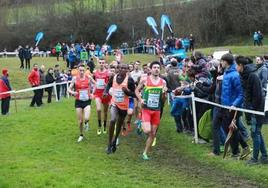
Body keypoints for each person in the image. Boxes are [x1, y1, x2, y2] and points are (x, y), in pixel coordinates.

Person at [236, 56, 268, 165]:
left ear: (241, 65)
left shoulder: (252, 75)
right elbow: (246, 94)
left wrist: (252, 109)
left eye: (237, 65)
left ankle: (255, 159)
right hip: (250, 108)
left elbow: (258, 95)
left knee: (255, 133)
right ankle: (264, 156)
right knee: (257, 132)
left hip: (257, 108)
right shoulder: (243, 75)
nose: (236, 67)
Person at [135, 61, 167, 160]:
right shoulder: (145, 79)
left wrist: (164, 94)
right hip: (146, 109)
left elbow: (163, 100)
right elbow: (136, 90)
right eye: (154, 67)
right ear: (151, 69)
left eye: (158, 67)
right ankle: (140, 123)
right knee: (147, 130)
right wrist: (141, 99)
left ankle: (145, 153)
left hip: (157, 110)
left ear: (160, 69)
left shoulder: (163, 82)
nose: (156, 69)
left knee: (153, 133)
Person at [104, 64, 136, 154]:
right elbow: (108, 85)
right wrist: (106, 92)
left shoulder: (129, 80)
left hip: (124, 106)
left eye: (125, 68)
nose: (122, 69)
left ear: (127, 70)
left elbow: (134, 94)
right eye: (121, 68)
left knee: (119, 125)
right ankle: (109, 144)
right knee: (112, 120)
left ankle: (114, 141)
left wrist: (127, 92)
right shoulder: (113, 77)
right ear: (118, 69)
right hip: (114, 103)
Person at [68, 64, 95, 142]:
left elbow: (95, 84)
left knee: (86, 118)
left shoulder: (88, 77)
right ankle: (81, 135)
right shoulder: (74, 78)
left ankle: (87, 123)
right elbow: (69, 89)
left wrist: (93, 93)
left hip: (87, 101)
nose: (82, 72)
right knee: (80, 121)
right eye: (80, 70)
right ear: (78, 70)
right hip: (78, 101)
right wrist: (73, 92)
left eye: (83, 70)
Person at [93, 58, 111, 135]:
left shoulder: (108, 73)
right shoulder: (95, 72)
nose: (101, 64)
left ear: (105, 63)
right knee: (98, 109)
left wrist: (106, 85)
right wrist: (93, 89)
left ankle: (104, 125)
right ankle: (99, 125)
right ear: (98, 63)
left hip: (105, 94)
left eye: (103, 63)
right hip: (97, 94)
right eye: (100, 62)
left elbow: (111, 83)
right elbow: (93, 82)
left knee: (105, 112)